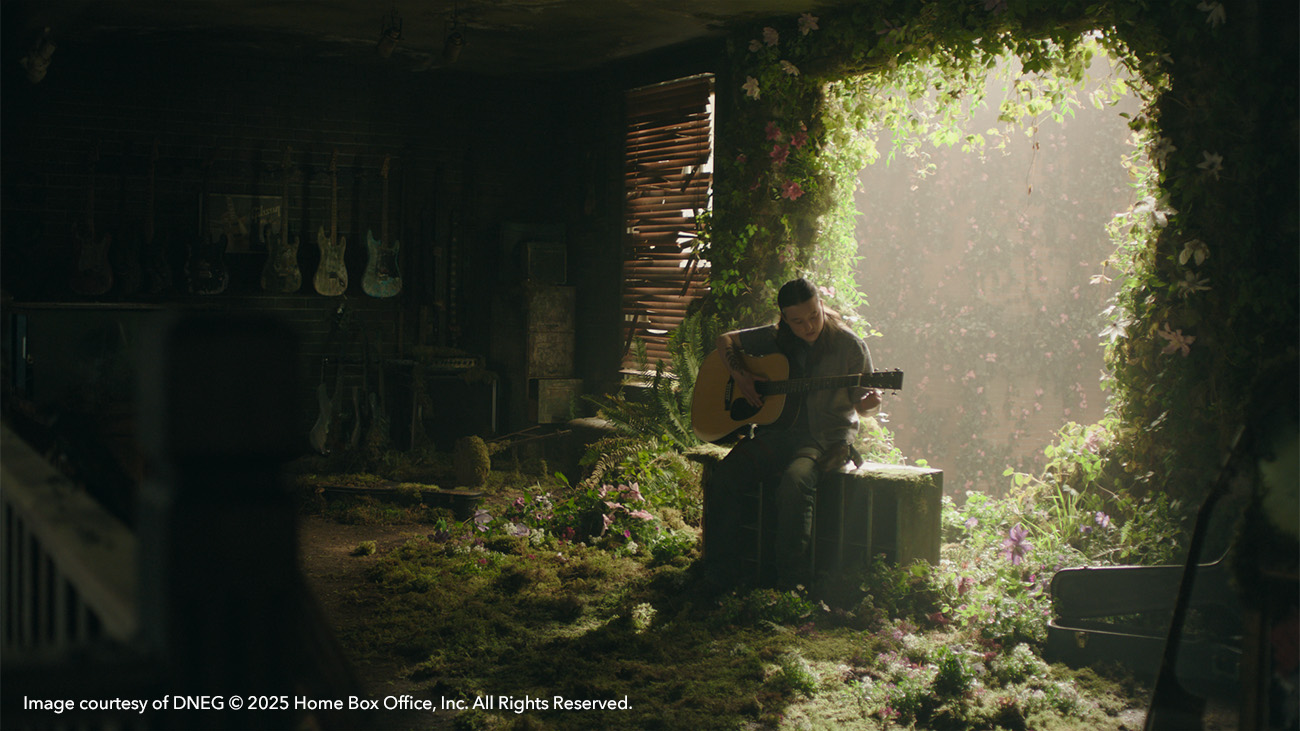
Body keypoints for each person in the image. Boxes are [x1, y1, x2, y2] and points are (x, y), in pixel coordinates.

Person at [705, 277, 881, 590]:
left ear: (822, 306)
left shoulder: (849, 346)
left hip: (824, 437)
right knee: (726, 475)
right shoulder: (775, 337)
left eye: (814, 315)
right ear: (785, 318)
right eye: (798, 321)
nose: (809, 326)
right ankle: (721, 574)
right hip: (778, 434)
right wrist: (741, 376)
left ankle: (791, 584)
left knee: (796, 482)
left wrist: (870, 405)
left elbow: (864, 406)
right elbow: (725, 341)